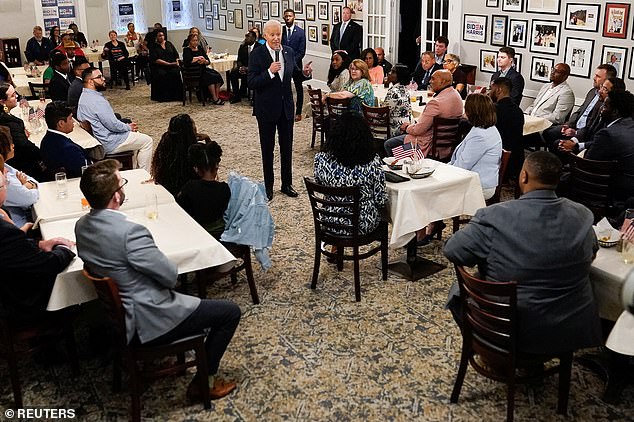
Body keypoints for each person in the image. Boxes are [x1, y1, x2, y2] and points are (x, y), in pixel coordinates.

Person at [75, 159, 241, 402]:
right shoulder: (130, 233)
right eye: (122, 184)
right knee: (229, 312)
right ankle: (204, 382)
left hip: (120, 315)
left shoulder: (81, 226)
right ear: (116, 197)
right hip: (149, 317)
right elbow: (169, 276)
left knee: (199, 306)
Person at [444, 151, 602, 356]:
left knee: (458, 290)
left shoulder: (494, 216)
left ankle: (492, 353)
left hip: (513, 328)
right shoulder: (582, 215)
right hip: (570, 327)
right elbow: (592, 251)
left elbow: (453, 251)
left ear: (524, 176)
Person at [247, 20, 313, 201]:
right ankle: (268, 187)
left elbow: (295, 73)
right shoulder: (257, 54)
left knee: (287, 148)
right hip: (266, 110)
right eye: (272, 35)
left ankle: (286, 184)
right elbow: (251, 82)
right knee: (267, 150)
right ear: (265, 36)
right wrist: (269, 72)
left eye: (279, 34)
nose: (277, 38)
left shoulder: (288, 51)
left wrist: (306, 73)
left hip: (286, 109)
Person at [0, 166, 76, 320]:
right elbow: (49, 264)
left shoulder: (4, 223)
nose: (8, 178)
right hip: (23, 302)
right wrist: (63, 248)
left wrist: (39, 244)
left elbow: (18, 250)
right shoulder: (5, 231)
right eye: (5, 183)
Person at [314, 112, 387, 235]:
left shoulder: (320, 159)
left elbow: (319, 183)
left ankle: (336, 247)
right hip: (362, 223)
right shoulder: (372, 162)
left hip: (330, 221)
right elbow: (380, 200)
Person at [77, 67, 153, 171]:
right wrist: (128, 127)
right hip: (108, 142)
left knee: (137, 138)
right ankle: (143, 174)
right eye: (99, 77)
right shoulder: (96, 101)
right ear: (90, 81)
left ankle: (134, 170)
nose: (104, 79)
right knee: (147, 141)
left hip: (99, 139)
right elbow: (113, 125)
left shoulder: (83, 97)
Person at [384, 69, 463, 160]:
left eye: (433, 79)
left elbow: (418, 130)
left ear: (443, 82)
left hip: (426, 147)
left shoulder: (436, 103)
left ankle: (400, 170)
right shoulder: (457, 96)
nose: (430, 82)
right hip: (448, 148)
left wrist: (406, 127)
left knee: (389, 144)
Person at [543, 64, 617, 149]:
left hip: (585, 133)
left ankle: (561, 160)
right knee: (549, 132)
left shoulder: (606, 100)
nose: (594, 78)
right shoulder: (592, 92)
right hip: (574, 126)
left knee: (557, 142)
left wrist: (576, 133)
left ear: (607, 80)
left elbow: (592, 124)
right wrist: (568, 125)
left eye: (598, 76)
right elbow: (579, 111)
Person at [450, 93, 502, 201]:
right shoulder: (485, 129)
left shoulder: (480, 136)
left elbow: (461, 166)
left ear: (473, 112)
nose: (464, 113)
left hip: (478, 186)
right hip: (475, 179)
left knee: (430, 194)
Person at [585, 90, 634, 202]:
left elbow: (588, 165)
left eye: (605, 106)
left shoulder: (607, 134)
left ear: (615, 112)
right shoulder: (630, 125)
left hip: (614, 190)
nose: (601, 109)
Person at [557, 77, 626, 154]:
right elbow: (587, 128)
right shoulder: (599, 106)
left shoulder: (615, 114)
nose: (600, 91)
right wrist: (572, 140)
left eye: (605, 89)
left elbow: (601, 141)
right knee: (559, 144)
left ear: (615, 94)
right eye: (601, 87)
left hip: (599, 150)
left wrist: (576, 145)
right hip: (587, 142)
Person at [177, 142, 231, 240]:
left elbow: (181, 207)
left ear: (196, 169)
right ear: (216, 166)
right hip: (220, 233)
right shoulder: (224, 188)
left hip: (197, 231)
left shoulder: (190, 187)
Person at [0, 83, 45, 180]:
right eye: (12, 96)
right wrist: (42, 154)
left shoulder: (6, 115)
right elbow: (24, 146)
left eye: (15, 93)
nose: (16, 96)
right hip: (22, 167)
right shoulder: (8, 122)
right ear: (3, 102)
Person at [151, 113, 202, 196]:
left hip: (167, 188)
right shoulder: (193, 149)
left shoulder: (166, 141)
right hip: (189, 192)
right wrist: (208, 139)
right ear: (189, 131)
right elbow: (209, 164)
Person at [0, 126, 39, 228]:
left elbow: (32, 181)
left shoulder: (5, 165)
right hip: (19, 225)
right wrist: (28, 185)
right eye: (9, 143)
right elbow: (30, 197)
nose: (13, 146)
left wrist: (26, 185)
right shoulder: (3, 177)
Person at [40, 102, 91, 178]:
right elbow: (87, 173)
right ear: (61, 123)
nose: (73, 122)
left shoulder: (45, 140)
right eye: (70, 118)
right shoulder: (68, 149)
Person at [488, 77, 524, 180]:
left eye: (491, 89)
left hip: (498, 160)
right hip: (516, 160)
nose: (490, 92)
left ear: (498, 90)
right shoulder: (518, 111)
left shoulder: (493, 111)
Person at [182, 33, 225, 105]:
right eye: (193, 41)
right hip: (194, 72)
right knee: (210, 78)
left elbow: (207, 60)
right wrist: (199, 58)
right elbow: (188, 61)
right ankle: (215, 98)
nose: (195, 42)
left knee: (217, 76)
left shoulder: (200, 48)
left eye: (196, 40)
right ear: (189, 41)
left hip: (203, 69)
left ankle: (216, 97)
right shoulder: (186, 50)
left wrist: (204, 61)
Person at [281, 9, 307, 121]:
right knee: (285, 88)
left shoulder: (300, 32)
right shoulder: (280, 31)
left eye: (290, 16)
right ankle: (285, 111)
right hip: (283, 64)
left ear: (294, 17)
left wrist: (291, 61)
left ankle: (298, 112)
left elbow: (302, 51)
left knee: (299, 88)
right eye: (286, 16)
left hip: (296, 65)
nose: (288, 18)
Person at [148, 30, 182, 102]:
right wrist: (168, 64)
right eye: (159, 36)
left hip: (172, 65)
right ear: (156, 37)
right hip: (159, 66)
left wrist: (176, 62)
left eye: (162, 35)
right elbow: (155, 59)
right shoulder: (153, 46)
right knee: (162, 74)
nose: (161, 37)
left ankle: (176, 96)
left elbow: (176, 55)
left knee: (175, 73)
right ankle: (164, 97)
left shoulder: (169, 44)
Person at [229, 31, 260, 103]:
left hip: (254, 70)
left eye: (248, 36)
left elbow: (260, 63)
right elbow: (239, 60)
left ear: (254, 38)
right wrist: (241, 67)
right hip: (243, 69)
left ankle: (254, 99)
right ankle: (236, 96)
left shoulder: (259, 47)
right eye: (245, 36)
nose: (246, 38)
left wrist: (249, 69)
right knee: (233, 73)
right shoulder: (242, 46)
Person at [382, 64, 412, 137]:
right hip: (406, 125)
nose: (389, 73)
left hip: (395, 128)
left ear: (399, 76)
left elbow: (384, 113)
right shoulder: (405, 90)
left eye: (393, 72)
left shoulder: (393, 92)